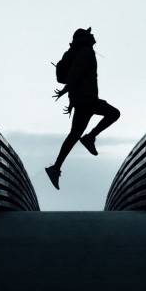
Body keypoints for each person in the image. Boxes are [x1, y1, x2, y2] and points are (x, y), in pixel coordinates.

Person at [45, 27, 120, 190]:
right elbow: (76, 72)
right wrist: (66, 91)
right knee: (114, 114)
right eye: (90, 34)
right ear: (85, 37)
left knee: (74, 135)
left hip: (81, 100)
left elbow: (76, 76)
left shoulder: (75, 51)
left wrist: (72, 100)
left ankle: (56, 167)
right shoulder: (86, 51)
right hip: (87, 99)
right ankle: (90, 137)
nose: (93, 36)